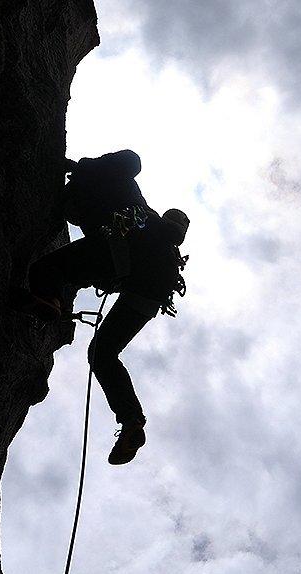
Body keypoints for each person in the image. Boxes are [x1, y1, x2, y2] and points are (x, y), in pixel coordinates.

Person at [25, 149, 190, 465]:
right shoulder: (147, 222)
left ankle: (48, 298)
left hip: (120, 253)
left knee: (46, 270)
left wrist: (82, 167)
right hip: (150, 292)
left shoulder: (126, 197)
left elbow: (132, 160)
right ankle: (132, 420)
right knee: (102, 353)